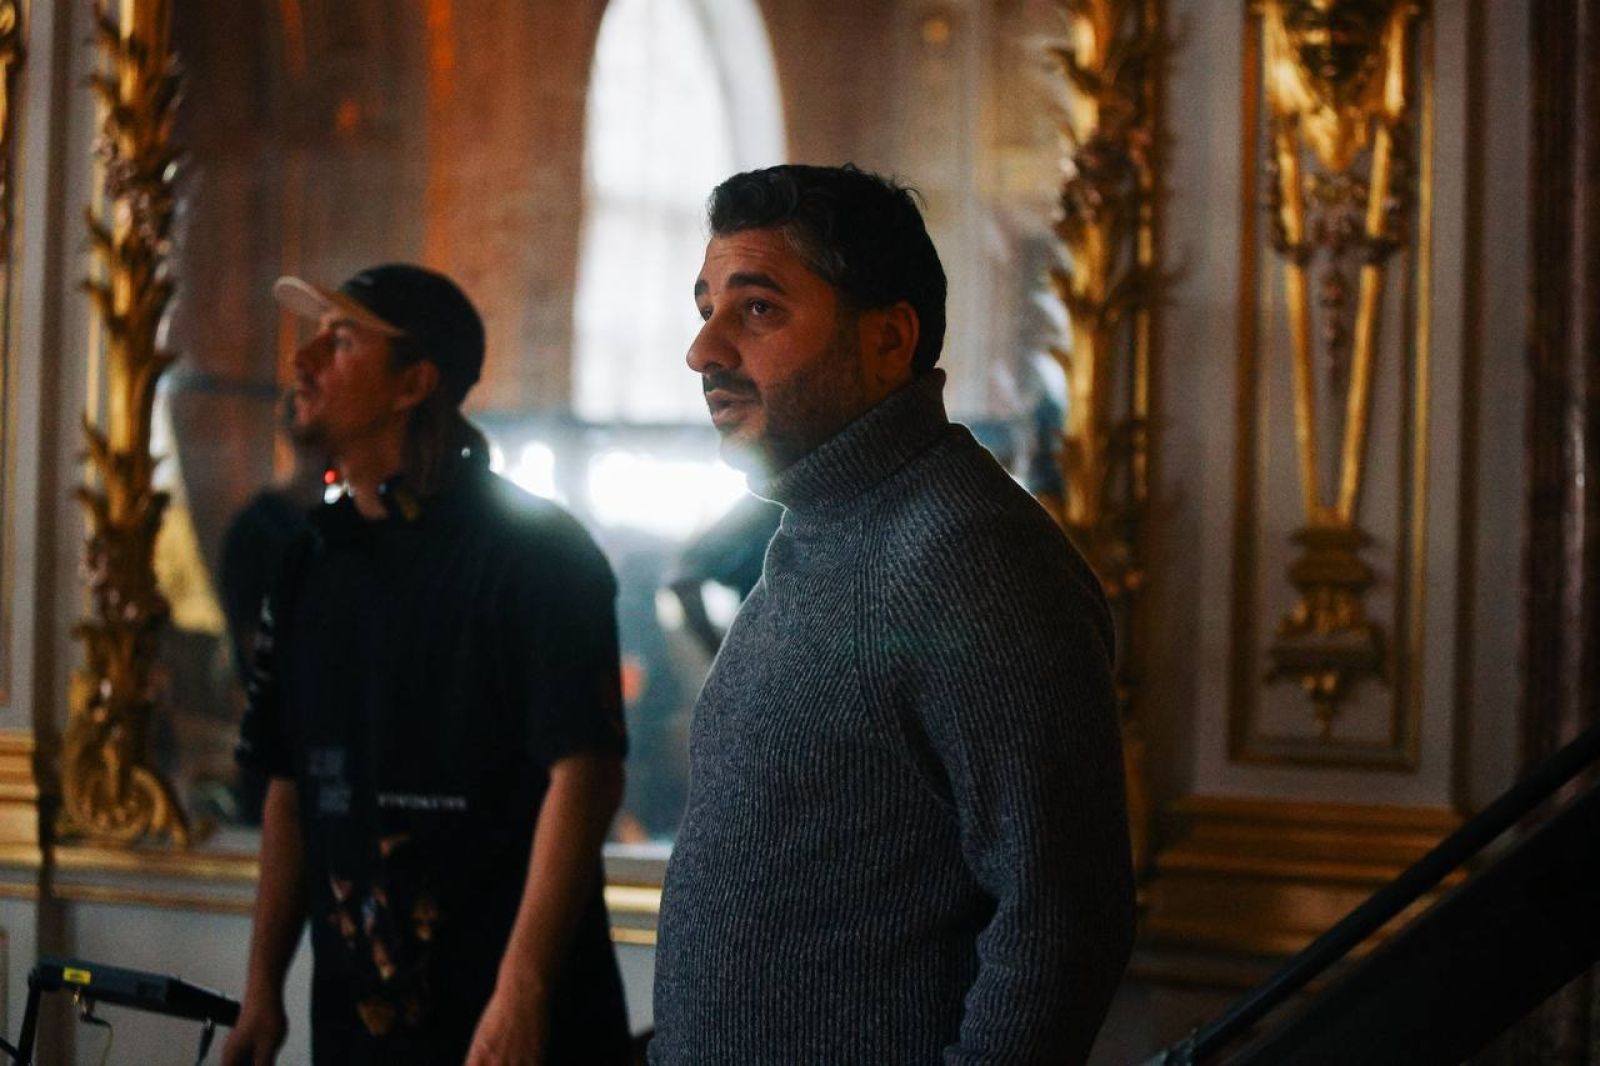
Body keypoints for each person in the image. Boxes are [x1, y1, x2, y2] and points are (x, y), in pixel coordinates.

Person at [650, 165, 1135, 1065]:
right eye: (707, 308)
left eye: (757, 310)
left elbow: (1063, 921)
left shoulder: (972, 557)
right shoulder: (820, 528)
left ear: (887, 339)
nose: (704, 351)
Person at [223, 264, 631, 1066]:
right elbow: (288, 788)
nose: (303, 360)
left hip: (515, 1032)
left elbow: (585, 776)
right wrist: (262, 990)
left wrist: (523, 990)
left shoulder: (536, 552)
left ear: (413, 383)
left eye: (341, 340)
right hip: (358, 1033)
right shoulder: (307, 559)